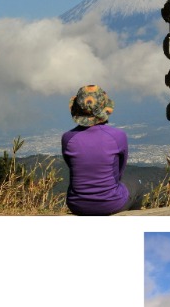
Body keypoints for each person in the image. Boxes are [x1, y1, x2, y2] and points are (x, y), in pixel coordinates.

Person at [61, 85, 145, 215]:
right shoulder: (117, 136)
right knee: (137, 183)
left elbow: (72, 166)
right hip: (111, 203)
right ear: (104, 109)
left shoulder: (68, 138)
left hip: (76, 204)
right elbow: (119, 171)